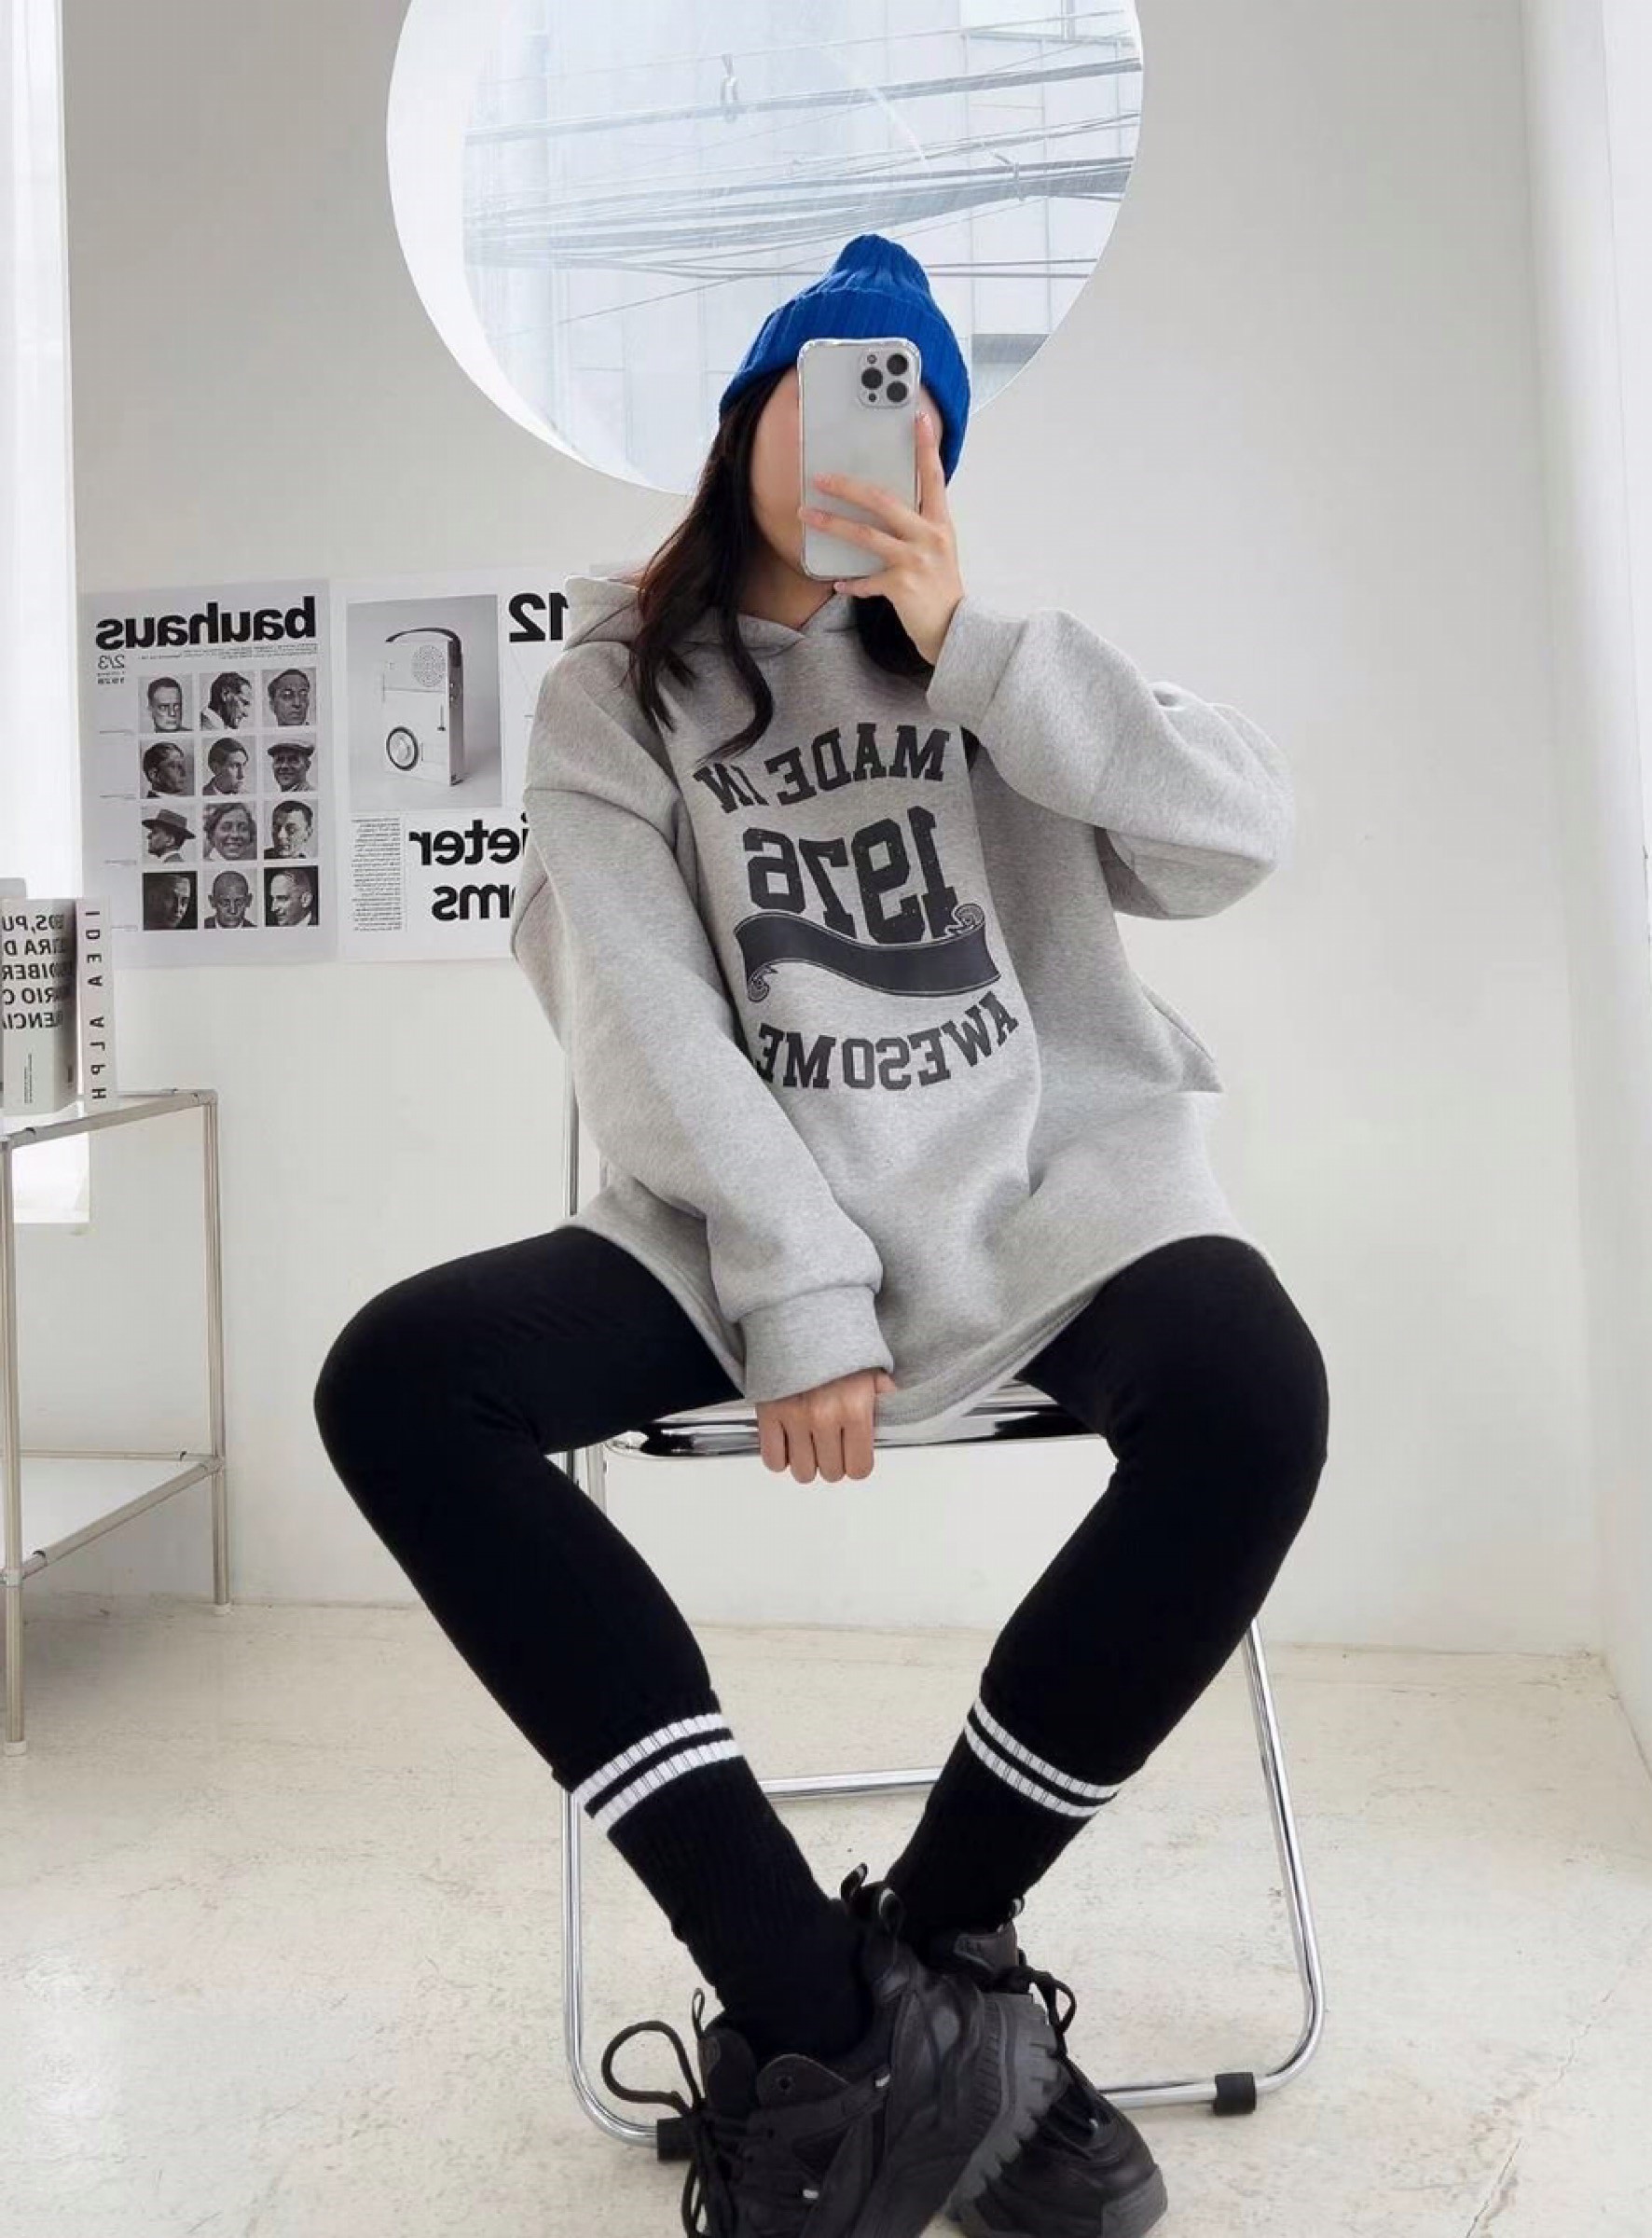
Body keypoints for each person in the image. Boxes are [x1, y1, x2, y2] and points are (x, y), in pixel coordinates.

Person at [312, 235, 1329, 2238]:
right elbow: (643, 1023)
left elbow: (1233, 837)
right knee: (402, 1382)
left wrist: (983, 647)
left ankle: (941, 1960)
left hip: (1046, 1194)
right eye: (843, 385)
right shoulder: (615, 689)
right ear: (747, 420)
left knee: (1255, 1392)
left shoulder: (997, 666)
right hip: (741, 1225)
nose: (884, 425)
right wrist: (800, 1285)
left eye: (920, 404)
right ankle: (815, 2010)